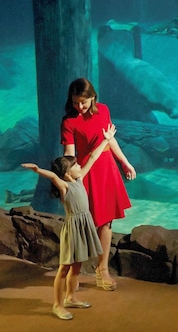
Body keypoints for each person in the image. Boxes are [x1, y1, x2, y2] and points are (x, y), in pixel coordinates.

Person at [20, 135, 109, 320]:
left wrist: (106, 140)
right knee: (64, 268)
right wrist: (37, 170)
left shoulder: (79, 179)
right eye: (75, 165)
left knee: (77, 266)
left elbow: (92, 158)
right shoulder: (65, 187)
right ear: (67, 173)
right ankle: (57, 305)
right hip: (73, 229)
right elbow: (53, 176)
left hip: (84, 225)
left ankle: (70, 297)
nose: (79, 167)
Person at [61, 77, 136, 292]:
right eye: (75, 102)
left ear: (93, 97)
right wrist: (72, 179)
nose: (80, 107)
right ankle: (74, 271)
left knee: (107, 220)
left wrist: (125, 162)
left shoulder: (103, 110)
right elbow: (69, 154)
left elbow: (109, 140)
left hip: (106, 168)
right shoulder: (69, 122)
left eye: (83, 102)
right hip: (85, 171)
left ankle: (102, 268)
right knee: (86, 222)